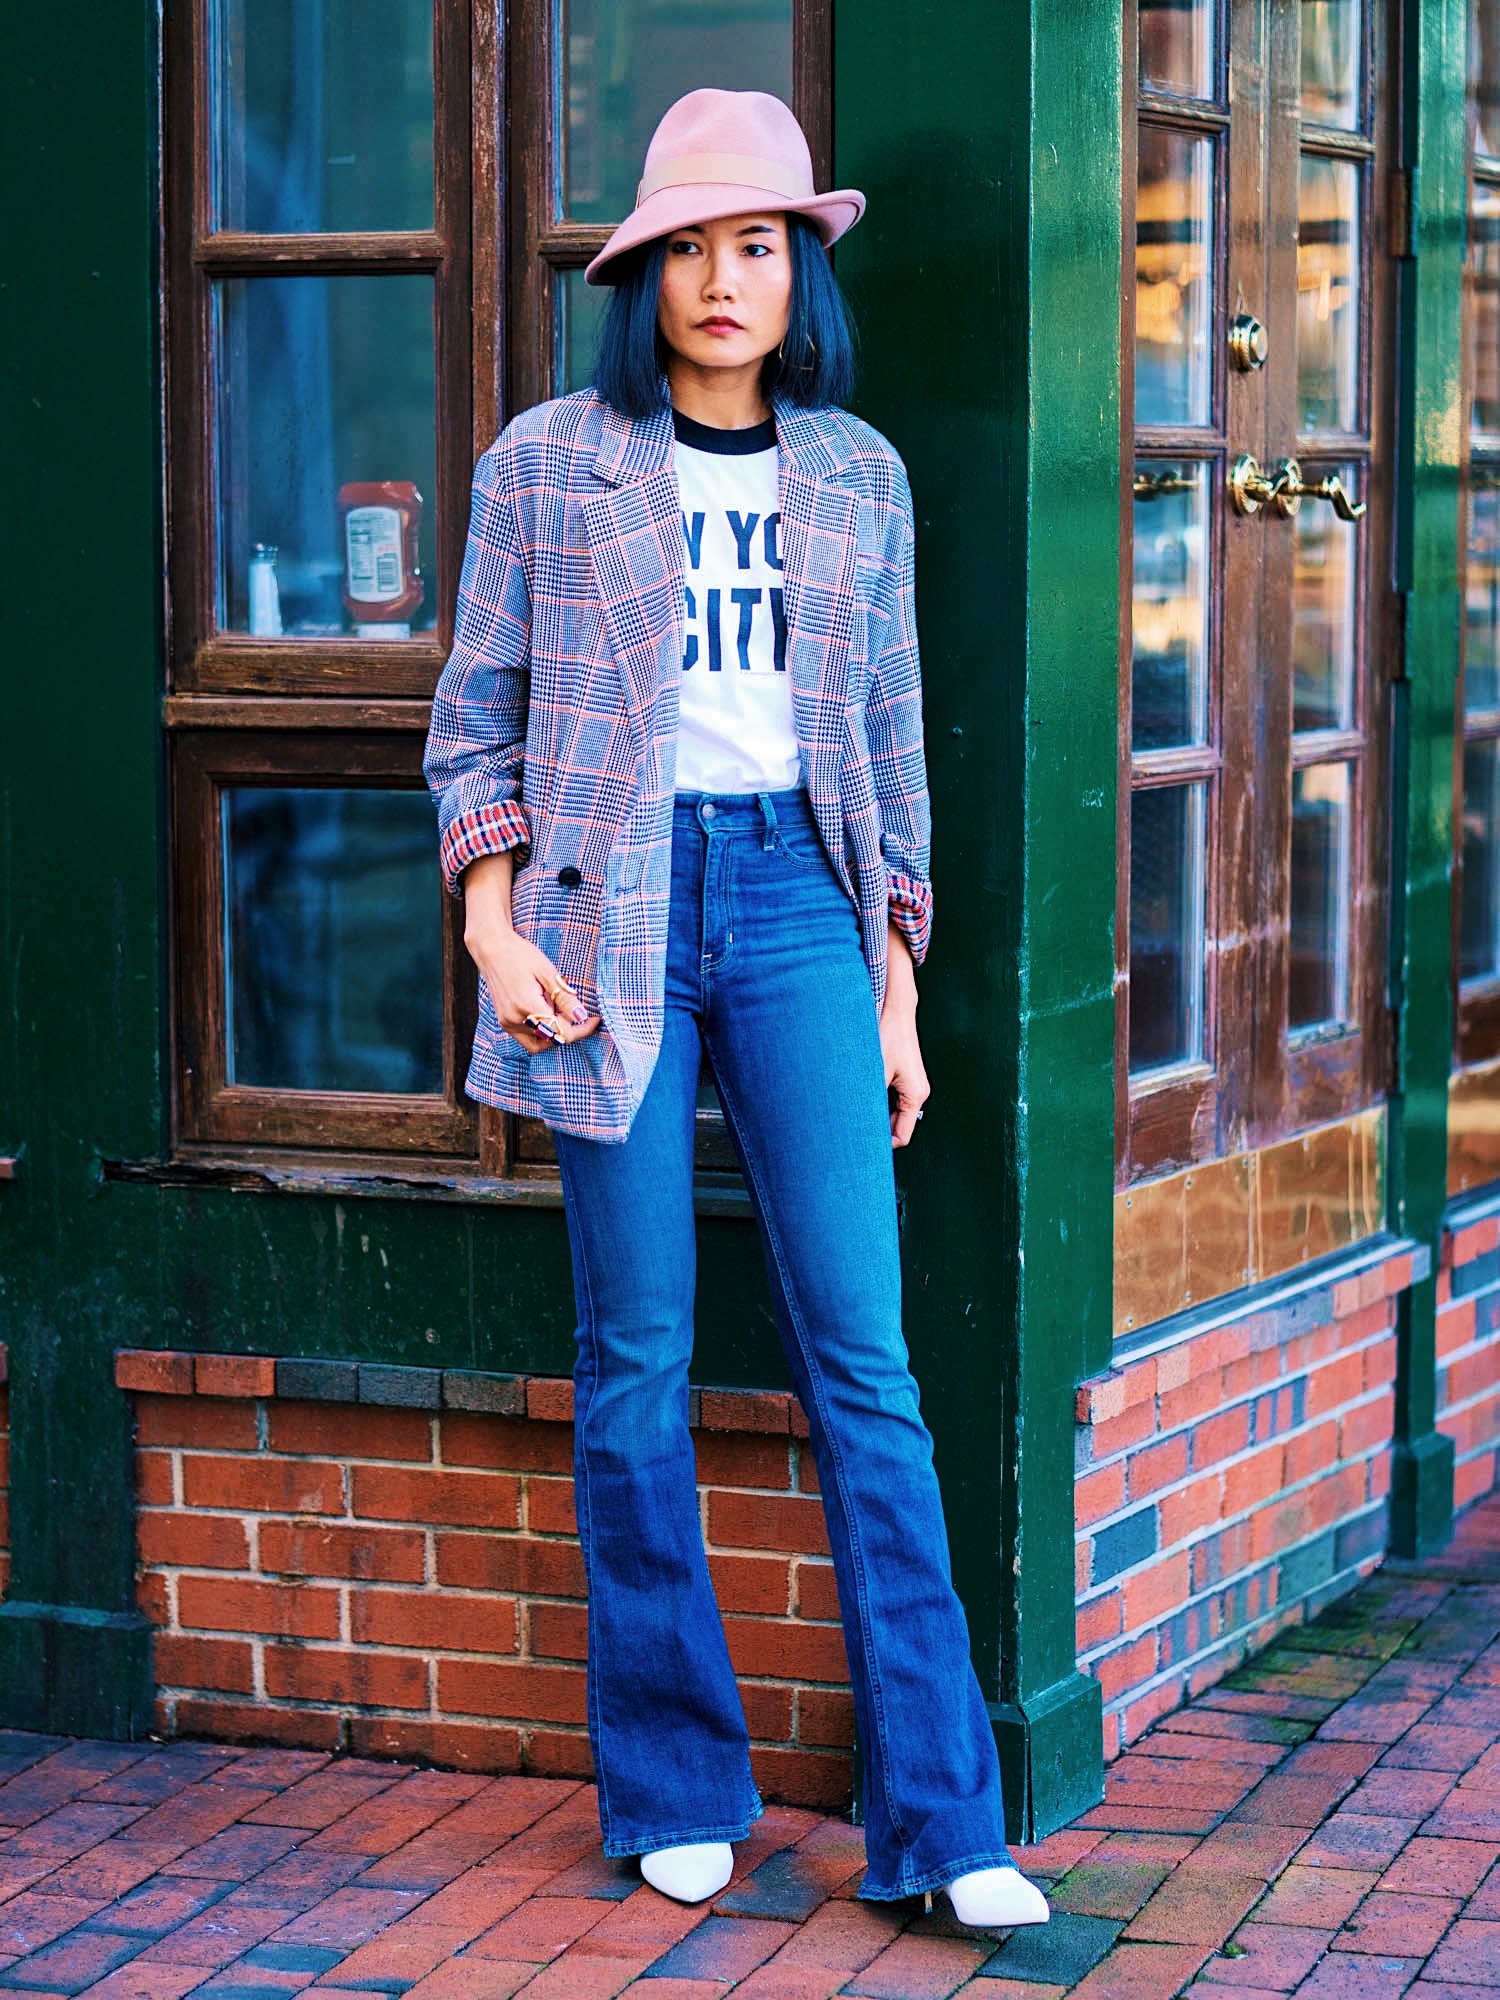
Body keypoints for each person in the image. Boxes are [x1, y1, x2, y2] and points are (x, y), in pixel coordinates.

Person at [423, 86, 1050, 1929]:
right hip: (606, 916)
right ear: (643, 275)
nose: (722, 280)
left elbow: (887, 764)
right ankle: (674, 1783)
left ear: (799, 273)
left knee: (867, 1365)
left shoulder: (861, 477)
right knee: (638, 1361)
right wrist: (490, 926)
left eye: (755, 245)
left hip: (796, 905)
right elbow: (473, 724)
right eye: (689, 247)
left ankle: (948, 1827)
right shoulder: (549, 462)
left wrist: (899, 994)